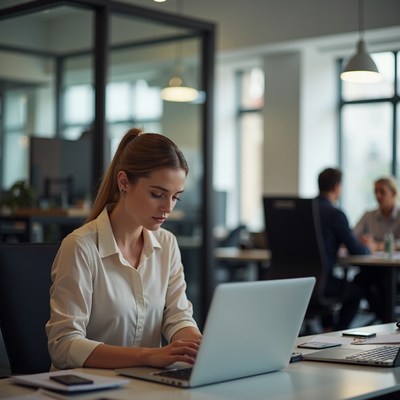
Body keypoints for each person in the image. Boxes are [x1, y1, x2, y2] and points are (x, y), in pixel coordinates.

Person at [46, 128, 202, 370]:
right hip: (87, 388)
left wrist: (198, 347)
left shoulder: (167, 244)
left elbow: (177, 317)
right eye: (157, 194)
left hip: (143, 388)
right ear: (124, 182)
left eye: (175, 197)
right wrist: (146, 356)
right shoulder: (81, 247)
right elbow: (64, 345)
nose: (167, 207)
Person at [316, 167, 374, 330]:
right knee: (356, 290)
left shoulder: (303, 211)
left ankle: (327, 327)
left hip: (296, 280)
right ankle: (335, 332)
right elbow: (356, 249)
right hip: (323, 282)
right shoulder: (334, 213)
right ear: (336, 187)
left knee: (332, 285)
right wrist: (368, 247)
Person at [353, 176, 400, 322]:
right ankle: (386, 320)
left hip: (396, 269)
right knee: (360, 280)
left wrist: (377, 245)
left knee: (384, 282)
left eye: (382, 192)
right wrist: (363, 241)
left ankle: (386, 320)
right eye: (376, 191)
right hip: (373, 267)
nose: (378, 196)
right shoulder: (369, 215)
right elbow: (352, 237)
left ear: (393, 193)